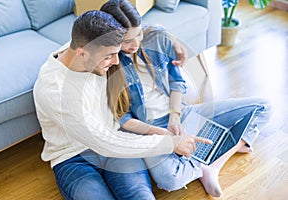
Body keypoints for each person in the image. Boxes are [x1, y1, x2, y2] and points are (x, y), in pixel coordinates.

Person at [33, 10, 211, 200]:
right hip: (73, 157)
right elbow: (102, 142)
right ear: (82, 53)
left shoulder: (89, 45)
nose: (117, 62)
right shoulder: (55, 91)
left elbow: (129, 23)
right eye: (110, 56)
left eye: (117, 53)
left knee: (140, 196)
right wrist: (169, 143)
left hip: (116, 140)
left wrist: (169, 38)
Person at [101, 0, 271, 197]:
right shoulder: (106, 63)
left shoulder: (155, 37)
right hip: (150, 131)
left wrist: (175, 115)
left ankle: (213, 165)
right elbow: (123, 118)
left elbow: (176, 81)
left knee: (262, 107)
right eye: (127, 41)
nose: (136, 44)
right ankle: (212, 154)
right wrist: (167, 137)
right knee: (170, 179)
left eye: (138, 34)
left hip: (182, 112)